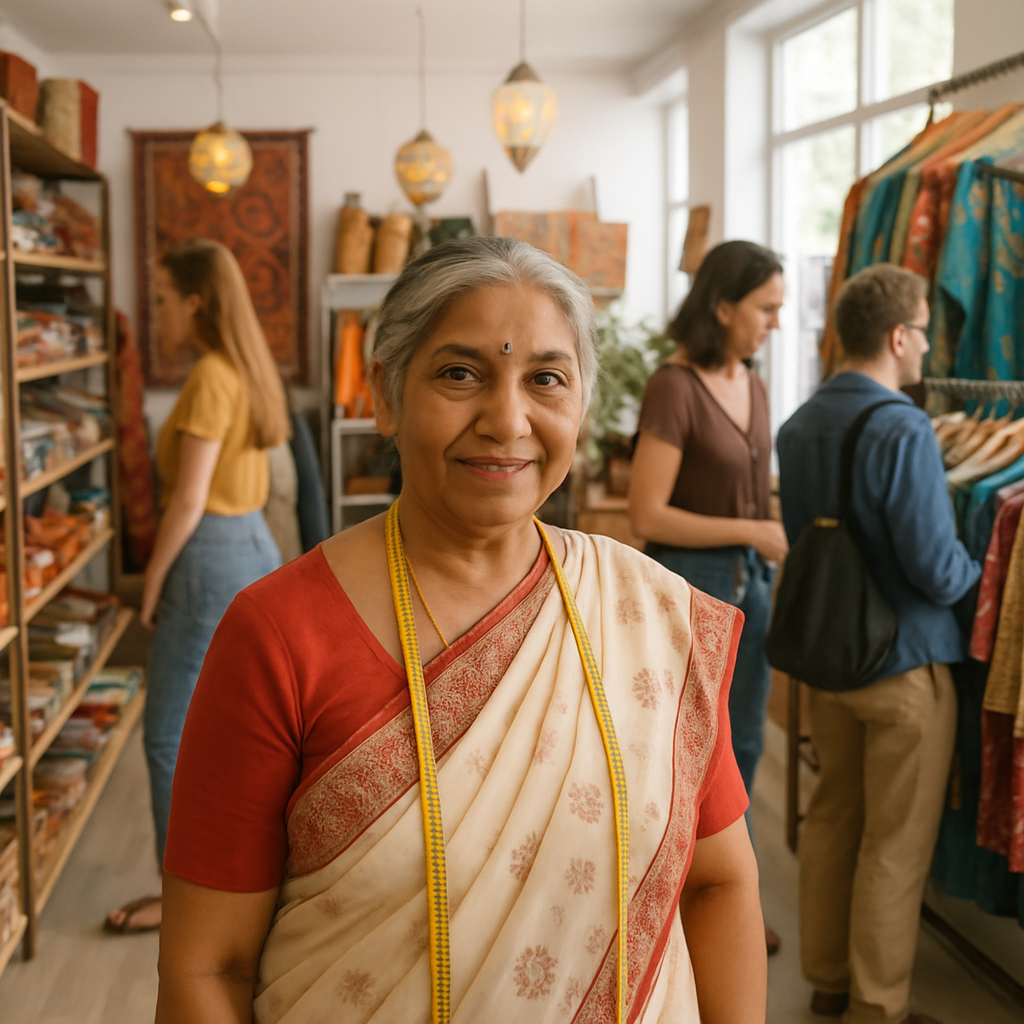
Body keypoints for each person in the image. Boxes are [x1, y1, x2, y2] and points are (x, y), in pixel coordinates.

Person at [154, 237, 767, 1023]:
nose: (507, 420)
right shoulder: (278, 635)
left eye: (546, 378)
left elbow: (720, 881)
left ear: (580, 401)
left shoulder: (647, 616)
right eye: (459, 373)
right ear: (385, 393)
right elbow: (209, 966)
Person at [776, 263, 981, 1024]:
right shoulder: (903, 426)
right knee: (894, 844)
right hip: (904, 665)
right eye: (924, 329)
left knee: (831, 819)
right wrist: (985, 574)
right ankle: (879, 1004)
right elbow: (934, 567)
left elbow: (806, 536)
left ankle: (828, 982)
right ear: (898, 336)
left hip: (828, 661)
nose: (926, 345)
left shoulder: (798, 424)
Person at [106, 239, 289, 934]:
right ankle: (242, 883)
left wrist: (150, 583)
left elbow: (187, 499)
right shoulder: (241, 368)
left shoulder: (212, 375)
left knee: (167, 735)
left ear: (194, 302)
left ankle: (180, 897)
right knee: (240, 732)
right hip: (249, 543)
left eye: (158, 300)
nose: (154, 315)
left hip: (209, 551)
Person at [627, 239, 787, 953]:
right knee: (685, 755)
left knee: (744, 746)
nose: (775, 323)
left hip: (754, 588)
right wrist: (752, 526)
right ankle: (672, 909)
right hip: (692, 588)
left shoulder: (751, 381)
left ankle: (731, 906)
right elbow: (646, 514)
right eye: (766, 308)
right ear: (722, 307)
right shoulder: (674, 385)